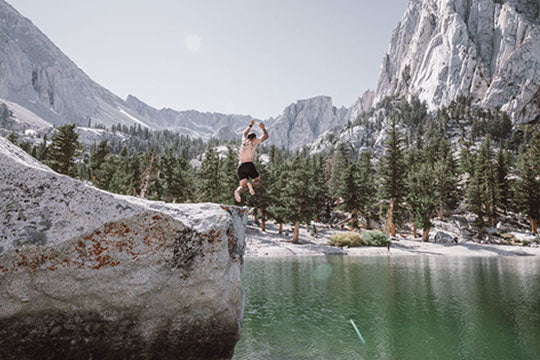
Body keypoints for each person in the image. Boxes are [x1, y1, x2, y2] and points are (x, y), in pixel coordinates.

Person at [234, 119, 268, 202]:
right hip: (249, 165)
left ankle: (237, 192)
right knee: (258, 181)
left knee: (242, 186)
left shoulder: (244, 140)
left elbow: (245, 133)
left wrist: (250, 125)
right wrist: (263, 128)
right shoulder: (254, 142)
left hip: (240, 166)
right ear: (254, 138)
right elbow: (266, 136)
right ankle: (251, 184)